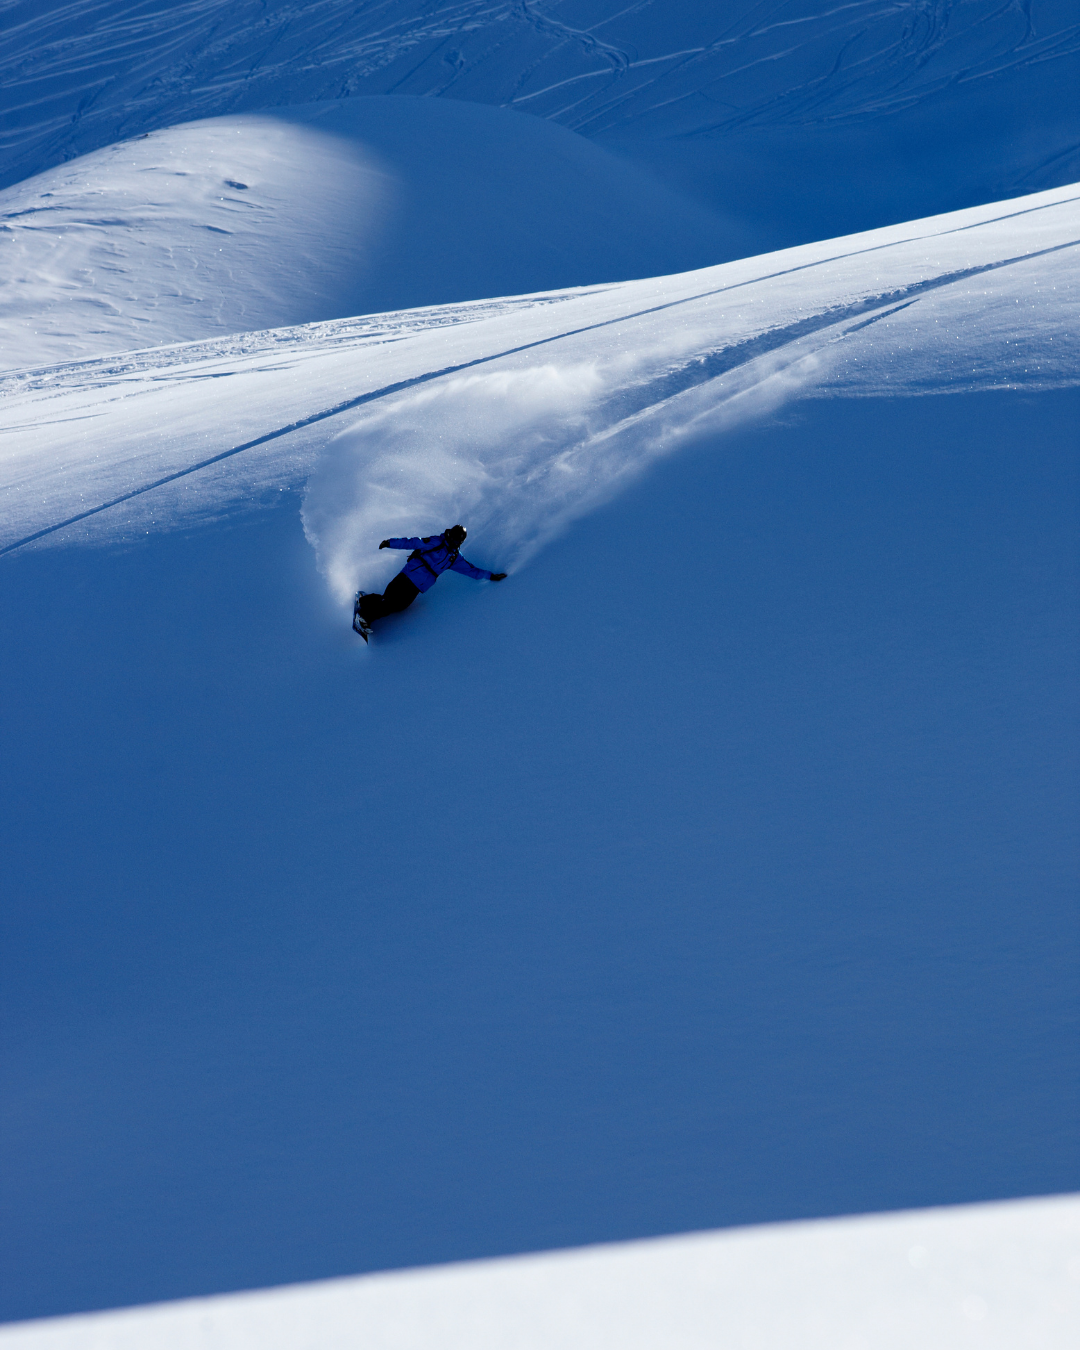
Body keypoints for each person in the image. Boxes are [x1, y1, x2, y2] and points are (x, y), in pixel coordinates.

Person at [353, 524, 506, 639]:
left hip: (418, 587)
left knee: (399, 607)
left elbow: (472, 570)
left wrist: (491, 576)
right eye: (453, 537)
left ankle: (365, 600)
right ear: (450, 534)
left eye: (457, 540)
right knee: (389, 602)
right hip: (407, 576)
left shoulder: (455, 558)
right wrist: (390, 543)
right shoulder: (436, 541)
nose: (453, 541)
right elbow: (413, 542)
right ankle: (364, 617)